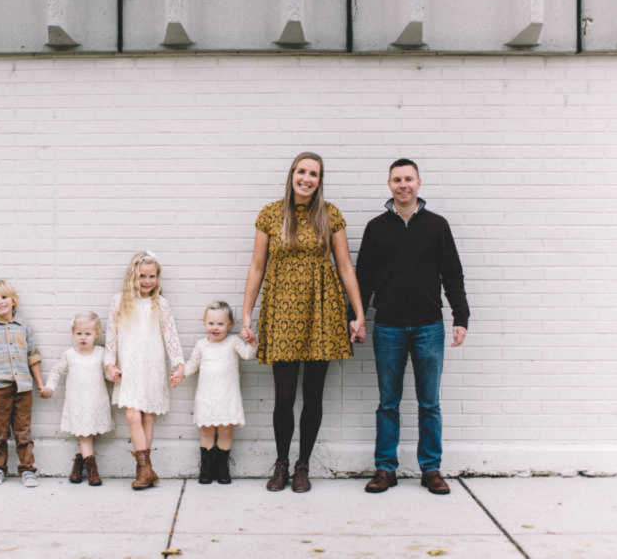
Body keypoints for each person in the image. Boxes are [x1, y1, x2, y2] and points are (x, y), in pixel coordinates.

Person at [241, 152, 365, 493]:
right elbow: (256, 267)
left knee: (313, 394)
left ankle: (302, 465)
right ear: (292, 174)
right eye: (302, 171)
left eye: (314, 174)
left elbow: (345, 267)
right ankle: (281, 462)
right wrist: (247, 314)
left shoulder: (329, 214)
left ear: (319, 180)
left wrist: (358, 313)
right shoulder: (270, 214)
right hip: (281, 310)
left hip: (322, 312)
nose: (307, 178)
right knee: (283, 395)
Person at [356, 158, 469, 495]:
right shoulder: (376, 227)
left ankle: (431, 469)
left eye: (408, 179)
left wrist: (460, 318)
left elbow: (453, 275)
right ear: (389, 185)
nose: (403, 185)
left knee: (429, 403)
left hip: (428, 327)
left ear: (418, 183)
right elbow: (363, 278)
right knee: (388, 402)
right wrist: (357, 316)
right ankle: (385, 469)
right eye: (396, 180)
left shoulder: (437, 225)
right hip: (388, 326)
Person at [104, 251, 185, 490]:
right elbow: (111, 337)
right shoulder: (119, 302)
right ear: (133, 276)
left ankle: (144, 471)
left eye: (152, 276)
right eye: (142, 276)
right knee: (132, 415)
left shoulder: (160, 303)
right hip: (129, 366)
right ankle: (145, 469)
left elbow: (171, 336)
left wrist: (178, 364)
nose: (147, 281)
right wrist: (110, 364)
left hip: (152, 365)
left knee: (148, 416)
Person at [0, 279, 46, 487]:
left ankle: (27, 469)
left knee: (23, 431)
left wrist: (40, 384)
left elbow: (33, 357)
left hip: (23, 388)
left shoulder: (23, 328)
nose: (0, 302)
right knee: (0, 432)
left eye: (4, 297)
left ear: (13, 301)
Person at [182, 301, 256, 485]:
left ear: (230, 324)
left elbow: (248, 355)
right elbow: (192, 365)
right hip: (206, 397)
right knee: (206, 431)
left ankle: (222, 468)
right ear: (205, 323)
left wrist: (252, 343)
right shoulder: (201, 345)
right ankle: (206, 469)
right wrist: (179, 373)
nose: (215, 328)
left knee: (225, 430)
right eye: (211, 323)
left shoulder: (233, 342)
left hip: (227, 396)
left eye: (220, 324)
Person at [40, 311, 114, 486]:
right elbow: (56, 371)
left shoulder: (101, 353)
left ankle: (77, 467)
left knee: (88, 435)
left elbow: (108, 374)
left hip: (96, 402)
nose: (83, 337)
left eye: (88, 334)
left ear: (96, 334)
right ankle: (93, 472)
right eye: (79, 333)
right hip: (77, 403)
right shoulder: (70, 355)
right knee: (85, 436)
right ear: (73, 334)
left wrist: (116, 376)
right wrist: (50, 387)